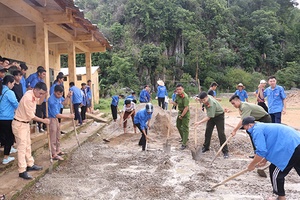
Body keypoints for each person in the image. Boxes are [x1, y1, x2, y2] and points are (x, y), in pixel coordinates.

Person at [242, 116, 300, 200]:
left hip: (291, 146)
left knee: (275, 172)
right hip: (297, 142)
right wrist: (265, 159)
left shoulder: (256, 130)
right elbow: (270, 143)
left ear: (250, 125)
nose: (246, 130)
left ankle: (281, 197)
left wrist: (252, 164)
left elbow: (261, 151)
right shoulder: (262, 126)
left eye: (245, 127)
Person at [12, 82, 50, 180]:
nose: (40, 95)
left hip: (25, 124)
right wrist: (44, 121)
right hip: (19, 124)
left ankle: (30, 164)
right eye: (40, 93)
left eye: (42, 94)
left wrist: (45, 95)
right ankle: (22, 170)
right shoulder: (28, 98)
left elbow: (39, 102)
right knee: (22, 147)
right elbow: (31, 116)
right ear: (35, 89)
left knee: (28, 145)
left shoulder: (33, 94)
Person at [195, 92, 229, 158]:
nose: (203, 102)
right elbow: (200, 99)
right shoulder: (206, 97)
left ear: (207, 97)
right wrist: (198, 99)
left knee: (221, 133)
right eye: (202, 100)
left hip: (219, 116)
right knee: (208, 131)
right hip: (212, 115)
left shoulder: (211, 104)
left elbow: (209, 117)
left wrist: (199, 122)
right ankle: (206, 147)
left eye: (204, 100)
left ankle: (225, 151)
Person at [48, 85, 74, 161]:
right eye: (58, 94)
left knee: (58, 135)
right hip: (52, 118)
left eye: (61, 94)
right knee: (53, 136)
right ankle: (53, 153)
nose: (60, 96)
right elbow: (57, 114)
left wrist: (68, 97)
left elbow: (64, 103)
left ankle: (58, 150)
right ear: (54, 92)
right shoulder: (51, 100)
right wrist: (69, 116)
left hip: (56, 119)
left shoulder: (59, 97)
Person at [0, 75, 19, 164]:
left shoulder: (1, 90)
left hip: (1, 118)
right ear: (9, 83)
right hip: (7, 118)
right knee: (9, 137)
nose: (13, 86)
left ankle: (10, 149)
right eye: (13, 84)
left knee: (3, 136)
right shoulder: (9, 92)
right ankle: (6, 157)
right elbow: (16, 104)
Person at [27, 68, 47, 132]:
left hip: (39, 99)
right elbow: (26, 82)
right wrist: (28, 88)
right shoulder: (33, 77)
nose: (44, 76)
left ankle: (41, 126)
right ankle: (38, 126)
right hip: (33, 97)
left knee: (41, 113)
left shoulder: (42, 81)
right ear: (39, 73)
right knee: (36, 113)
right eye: (43, 74)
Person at [171, 84, 190, 150]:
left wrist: (182, 116)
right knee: (178, 125)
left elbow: (186, 108)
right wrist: (172, 102)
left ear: (183, 89)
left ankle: (184, 143)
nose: (178, 91)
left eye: (180, 89)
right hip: (180, 112)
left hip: (185, 113)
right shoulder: (177, 95)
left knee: (185, 128)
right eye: (177, 89)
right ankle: (184, 138)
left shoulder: (185, 97)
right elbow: (176, 103)